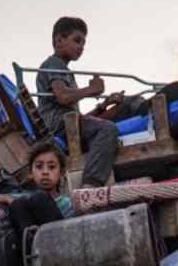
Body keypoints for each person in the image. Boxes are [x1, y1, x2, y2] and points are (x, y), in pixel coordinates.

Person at [36, 17, 119, 187]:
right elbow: (63, 97)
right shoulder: (54, 63)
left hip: (70, 124)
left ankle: (137, 106)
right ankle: (90, 185)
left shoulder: (63, 69)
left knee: (119, 111)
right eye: (77, 40)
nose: (81, 47)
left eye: (83, 43)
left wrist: (104, 105)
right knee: (107, 129)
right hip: (61, 126)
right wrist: (92, 89)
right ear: (59, 40)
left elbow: (75, 115)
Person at [0, 141, 73, 239]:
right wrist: (7, 199)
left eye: (51, 167)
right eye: (39, 166)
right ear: (31, 173)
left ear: (61, 173)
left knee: (39, 198)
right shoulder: (25, 197)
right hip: (33, 246)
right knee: (18, 203)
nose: (45, 172)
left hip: (62, 241)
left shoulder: (68, 204)